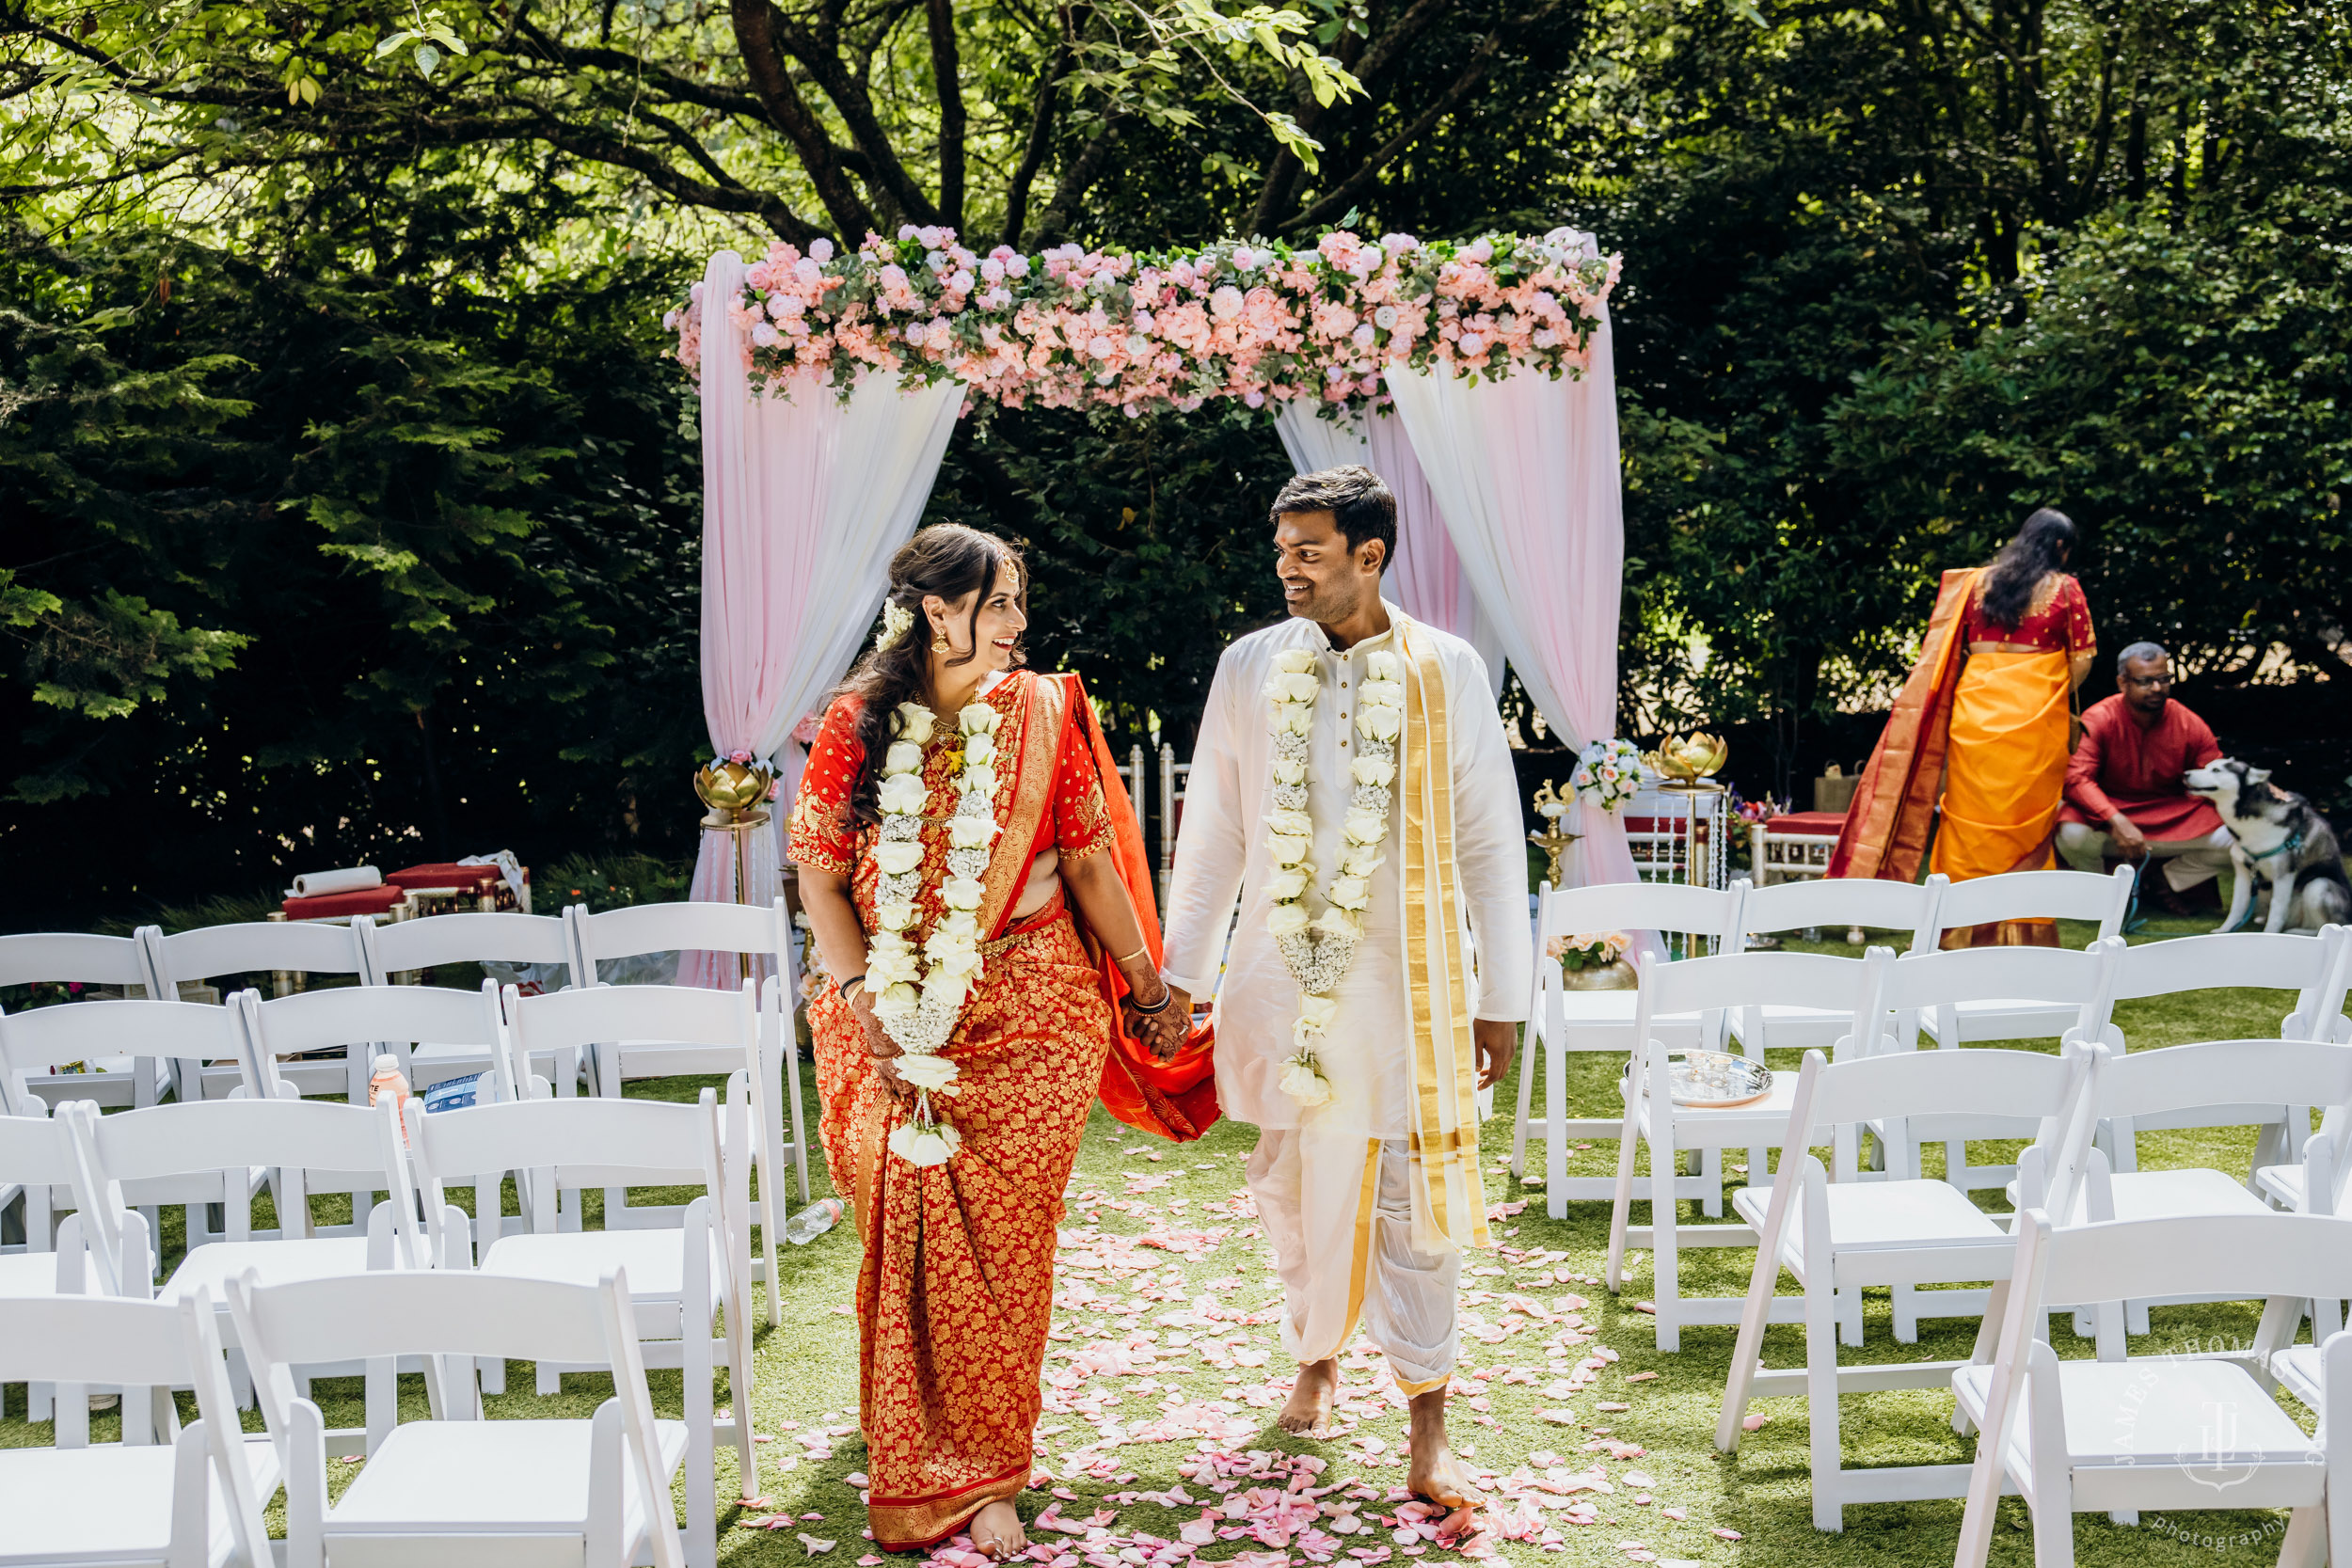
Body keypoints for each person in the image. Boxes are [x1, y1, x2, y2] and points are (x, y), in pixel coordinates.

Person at [1147, 467, 1531, 1507]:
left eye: (1308, 550)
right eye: (1281, 549)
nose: (1287, 567)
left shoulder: (1445, 668)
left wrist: (1505, 993)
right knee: (1286, 1179)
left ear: (1370, 555)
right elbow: (1216, 826)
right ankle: (1315, 1346)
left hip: (1406, 980)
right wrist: (1182, 972)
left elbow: (1491, 838)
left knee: (1414, 1192)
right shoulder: (1247, 664)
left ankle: (1426, 1417)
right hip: (1280, 973)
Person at [790, 524, 1174, 1560]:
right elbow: (820, 870)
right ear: (937, 611)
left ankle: (989, 1472)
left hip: (1030, 1013)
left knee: (1004, 1251)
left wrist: (1145, 983)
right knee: (902, 1216)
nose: (1016, 624)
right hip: (885, 1018)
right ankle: (916, 1435)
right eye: (996, 603)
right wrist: (861, 988)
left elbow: (1090, 860)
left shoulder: (1042, 710)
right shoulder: (854, 722)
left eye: (1014, 602)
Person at [1831, 506, 2096, 945]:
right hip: (2034, 723)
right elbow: (2082, 659)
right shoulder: (2066, 589)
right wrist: (2045, 692)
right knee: (2025, 821)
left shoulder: (1974, 585)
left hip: (1974, 716)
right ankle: (2019, 935)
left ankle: (1955, 932)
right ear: (2061, 548)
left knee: (1968, 817)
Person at [2055, 641, 2232, 913]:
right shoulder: (2099, 718)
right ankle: (2101, 893)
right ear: (2122, 682)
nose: (2157, 689)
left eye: (2163, 679)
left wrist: (2264, 791)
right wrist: (2115, 820)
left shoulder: (2187, 721)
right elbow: (2076, 779)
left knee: (2235, 838)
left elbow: (2217, 773)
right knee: (2071, 833)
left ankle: (2168, 881)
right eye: (2145, 681)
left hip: (2171, 814)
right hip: (2111, 812)